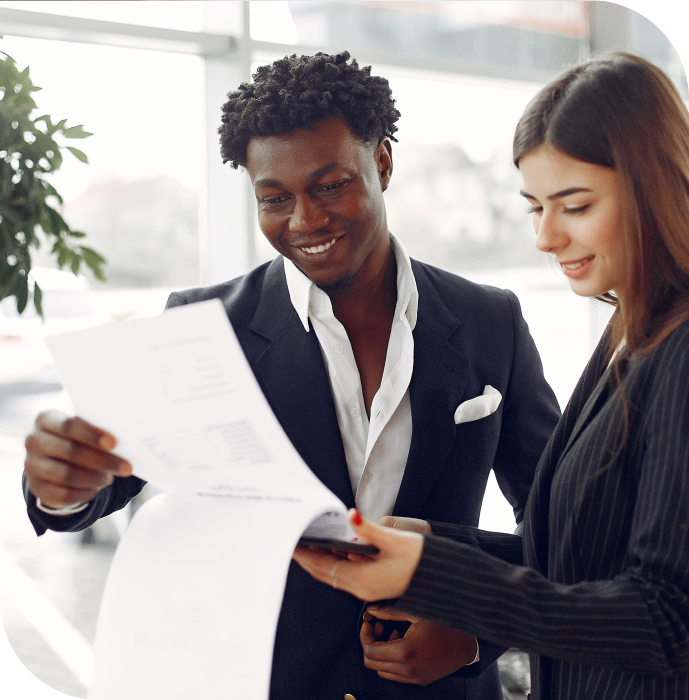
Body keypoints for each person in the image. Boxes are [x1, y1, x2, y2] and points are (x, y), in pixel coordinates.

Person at [22, 52, 560, 700]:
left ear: (381, 162)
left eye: (329, 185)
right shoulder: (201, 324)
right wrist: (64, 482)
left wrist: (478, 635)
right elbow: (106, 486)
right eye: (274, 199)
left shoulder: (488, 320)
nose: (304, 220)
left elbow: (559, 523)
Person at [293, 52, 689, 700]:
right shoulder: (630, 333)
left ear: (654, 188)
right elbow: (571, 557)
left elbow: (665, 619)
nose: (544, 236)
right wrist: (425, 542)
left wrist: (430, 571)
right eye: (534, 207)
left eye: (574, 205)